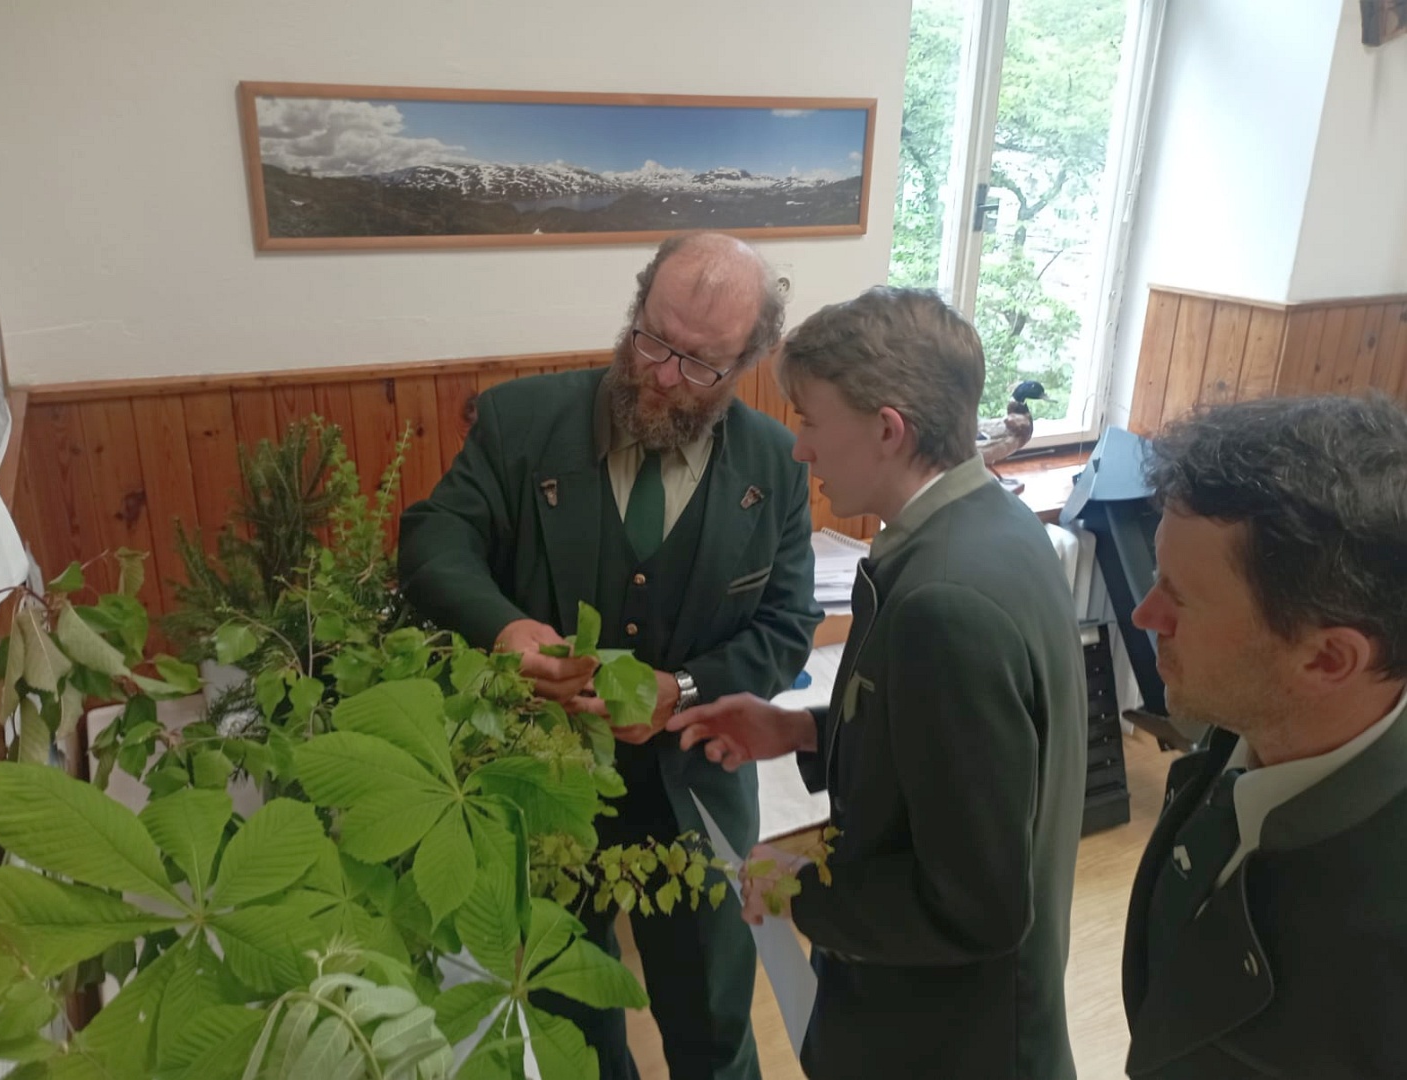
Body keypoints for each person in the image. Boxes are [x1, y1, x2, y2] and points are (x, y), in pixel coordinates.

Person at [398, 231, 820, 1080]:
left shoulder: (775, 463)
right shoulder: (521, 422)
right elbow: (433, 539)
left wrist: (683, 687)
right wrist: (503, 627)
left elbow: (785, 625)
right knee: (570, 1021)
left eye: (698, 363)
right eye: (651, 339)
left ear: (747, 361)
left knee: (712, 1023)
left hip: (694, 789)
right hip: (540, 784)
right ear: (636, 306)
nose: (661, 376)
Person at [669, 285, 1087, 1079]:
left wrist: (800, 887)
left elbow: (975, 906)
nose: (800, 450)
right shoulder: (995, 524)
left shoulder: (944, 602)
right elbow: (959, 755)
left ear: (887, 430)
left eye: (810, 421)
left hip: (943, 1042)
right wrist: (800, 729)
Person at [1120, 394, 1407, 1079]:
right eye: (1156, 576)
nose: (1143, 615)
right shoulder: (1247, 722)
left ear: (1326, 659)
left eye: (1179, 598)